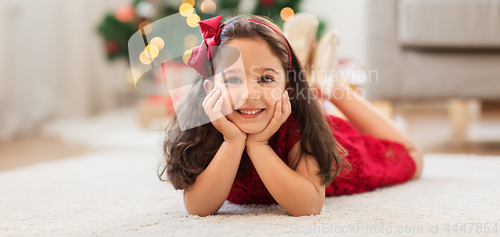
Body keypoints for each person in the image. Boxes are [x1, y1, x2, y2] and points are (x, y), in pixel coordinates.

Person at [158, 14, 423, 217]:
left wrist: (259, 145)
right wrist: (233, 141)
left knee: (414, 158)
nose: (249, 93)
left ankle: (332, 86)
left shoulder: (301, 128)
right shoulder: (207, 129)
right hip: (270, 106)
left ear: (288, 87)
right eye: (233, 79)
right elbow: (197, 208)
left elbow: (308, 206)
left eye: (265, 78)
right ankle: (298, 67)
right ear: (210, 90)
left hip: (338, 146)